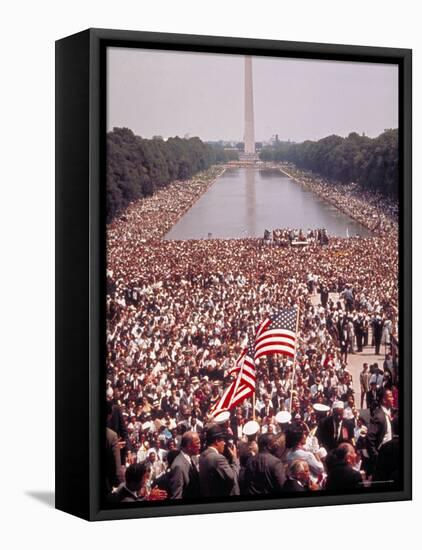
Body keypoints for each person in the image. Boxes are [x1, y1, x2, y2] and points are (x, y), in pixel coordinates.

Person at [199, 424, 240, 497]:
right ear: (217, 441)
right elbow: (232, 478)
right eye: (223, 440)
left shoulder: (202, 455)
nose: (224, 443)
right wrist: (234, 458)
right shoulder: (218, 459)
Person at [367, 388, 395, 472]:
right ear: (384, 400)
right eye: (390, 396)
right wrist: (376, 456)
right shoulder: (378, 416)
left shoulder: (390, 412)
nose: (393, 398)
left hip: (390, 455)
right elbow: (369, 438)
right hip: (382, 458)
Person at [168, 431, 201, 499]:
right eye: (197, 443)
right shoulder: (178, 466)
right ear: (189, 446)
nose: (200, 446)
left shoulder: (194, 458)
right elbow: (177, 495)